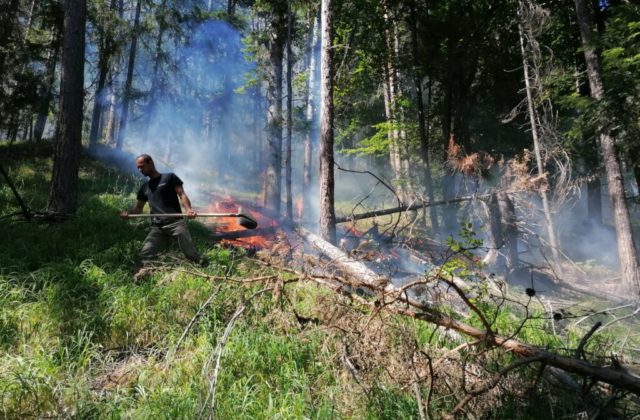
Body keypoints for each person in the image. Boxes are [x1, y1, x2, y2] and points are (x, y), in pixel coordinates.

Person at [120, 154, 207, 278]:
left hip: (176, 223)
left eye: (142, 166)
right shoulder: (145, 188)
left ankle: (207, 269)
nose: (140, 170)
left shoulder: (169, 177)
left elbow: (182, 194)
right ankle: (140, 277)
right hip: (158, 228)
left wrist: (188, 210)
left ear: (150, 163)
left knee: (190, 254)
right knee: (144, 255)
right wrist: (128, 213)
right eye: (138, 168)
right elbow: (138, 208)